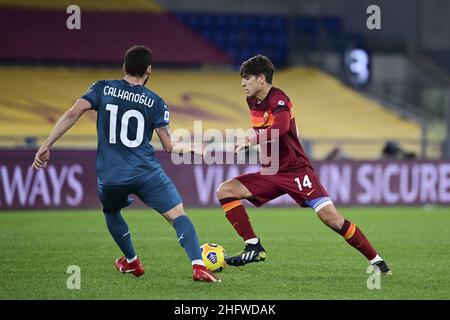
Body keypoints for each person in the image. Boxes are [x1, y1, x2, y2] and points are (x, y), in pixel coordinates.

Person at [32, 45, 220, 283]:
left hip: (111, 176)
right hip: (146, 172)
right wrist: (195, 148)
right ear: (149, 70)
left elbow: (72, 112)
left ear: (124, 67)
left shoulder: (102, 88)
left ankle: (132, 262)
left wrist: (47, 144)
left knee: (111, 210)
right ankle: (198, 266)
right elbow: (169, 146)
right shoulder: (156, 102)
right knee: (178, 216)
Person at [215, 55, 391, 275]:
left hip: (296, 171)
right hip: (271, 171)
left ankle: (378, 262)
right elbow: (265, 129)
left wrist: (248, 141)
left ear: (261, 79)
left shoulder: (279, 99)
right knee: (225, 190)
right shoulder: (252, 100)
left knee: (332, 219)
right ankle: (253, 246)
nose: (242, 83)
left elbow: (281, 127)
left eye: (246, 78)